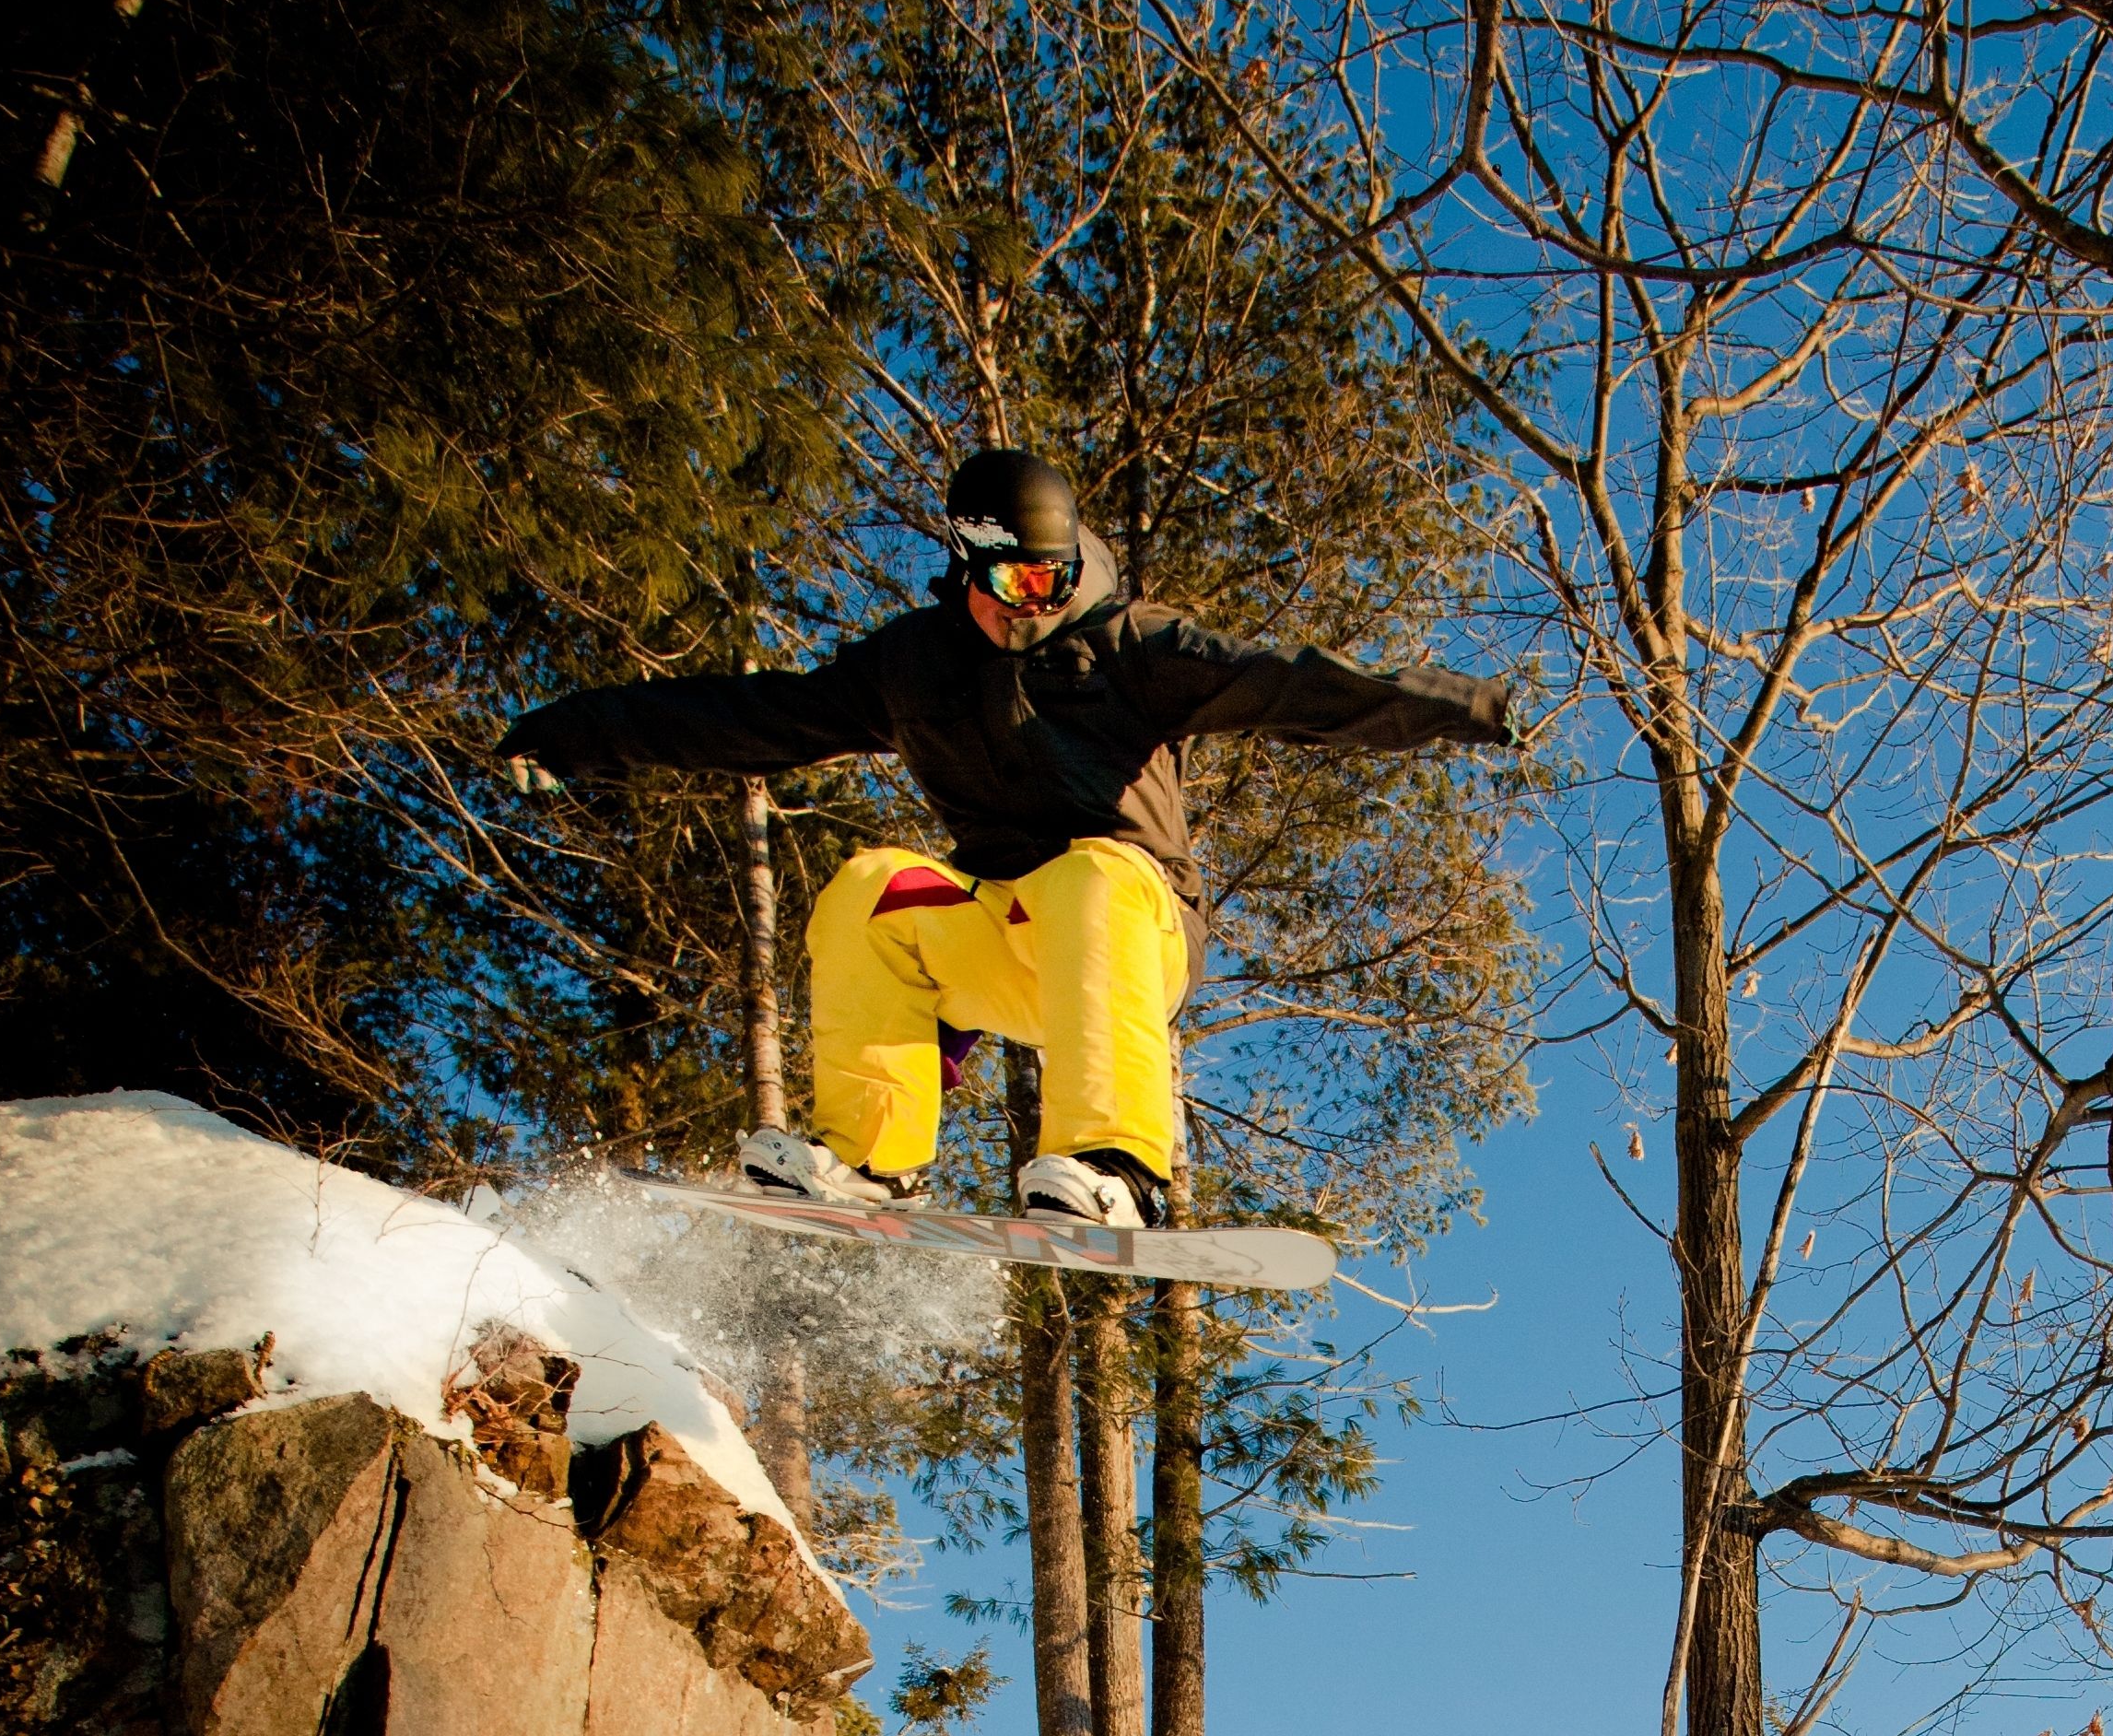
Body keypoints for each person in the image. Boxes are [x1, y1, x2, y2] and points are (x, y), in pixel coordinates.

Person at [496, 450, 1520, 1226]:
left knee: (1092, 875)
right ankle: (870, 1157)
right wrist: (579, 736)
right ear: (970, 570)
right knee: (870, 886)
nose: (1045, 604)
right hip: (1010, 940)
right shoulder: (912, 667)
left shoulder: (1132, 646)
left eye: (1059, 579)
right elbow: (752, 716)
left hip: (1135, 929)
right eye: (1023, 585)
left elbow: (1293, 684)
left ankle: (1117, 1167)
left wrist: (1467, 705)